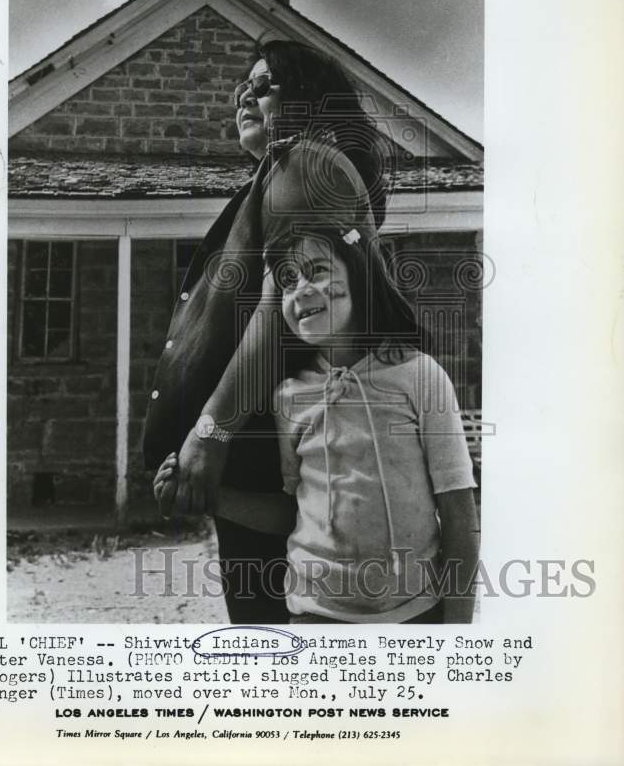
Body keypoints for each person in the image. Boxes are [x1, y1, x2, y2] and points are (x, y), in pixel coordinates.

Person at [142, 39, 400, 623]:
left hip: (277, 453)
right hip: (277, 455)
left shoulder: (304, 162)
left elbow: (278, 312)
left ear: (312, 100)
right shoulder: (291, 172)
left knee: (275, 637)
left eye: (266, 85)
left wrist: (210, 434)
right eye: (243, 86)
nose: (245, 96)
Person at [155, 226, 480, 623]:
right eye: (287, 281)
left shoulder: (420, 377)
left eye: (317, 271)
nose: (301, 290)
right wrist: (205, 497)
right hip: (315, 619)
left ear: (359, 275)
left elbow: (460, 513)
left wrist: (458, 634)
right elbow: (294, 512)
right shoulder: (289, 397)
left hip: (413, 617)